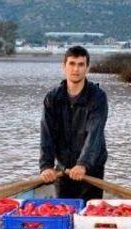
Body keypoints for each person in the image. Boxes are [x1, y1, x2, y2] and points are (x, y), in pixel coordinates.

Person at [39, 45, 108, 202]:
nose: (75, 69)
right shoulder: (52, 98)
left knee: (89, 214)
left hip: (91, 168)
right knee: (65, 212)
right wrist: (46, 166)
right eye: (71, 64)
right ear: (64, 66)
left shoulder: (97, 97)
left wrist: (83, 164)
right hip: (63, 169)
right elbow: (46, 134)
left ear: (87, 68)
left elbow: (94, 133)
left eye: (80, 64)